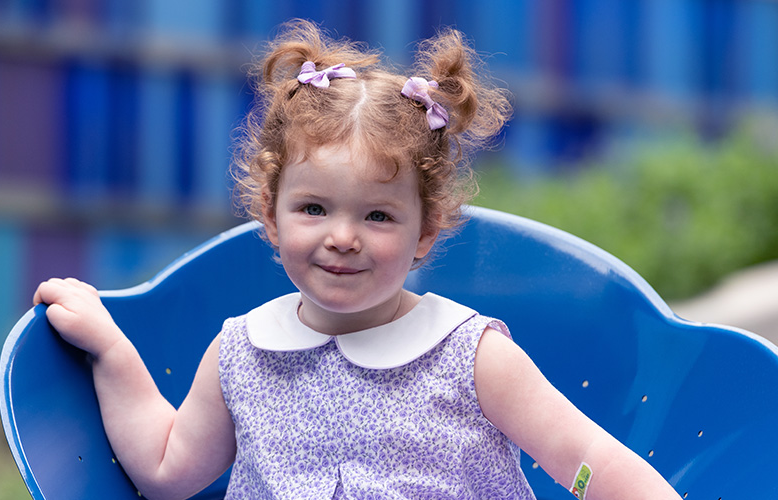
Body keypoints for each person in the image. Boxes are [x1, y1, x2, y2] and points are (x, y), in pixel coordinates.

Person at [33, 20, 681, 500]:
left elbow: (584, 457)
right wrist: (112, 350)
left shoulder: (470, 356)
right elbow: (166, 471)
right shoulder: (241, 354)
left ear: (425, 231)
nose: (343, 237)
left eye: (377, 215)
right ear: (271, 215)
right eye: (314, 209)